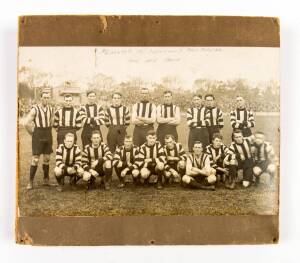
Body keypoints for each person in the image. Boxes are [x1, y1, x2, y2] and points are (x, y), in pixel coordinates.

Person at [24, 91, 53, 190]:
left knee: (47, 158)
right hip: (38, 134)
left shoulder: (51, 108)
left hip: (48, 133)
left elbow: (52, 121)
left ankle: (46, 179)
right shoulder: (35, 109)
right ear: (40, 98)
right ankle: (30, 181)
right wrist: (33, 134)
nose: (46, 99)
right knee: (35, 158)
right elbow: (26, 123)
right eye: (44, 97)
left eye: (48, 97)